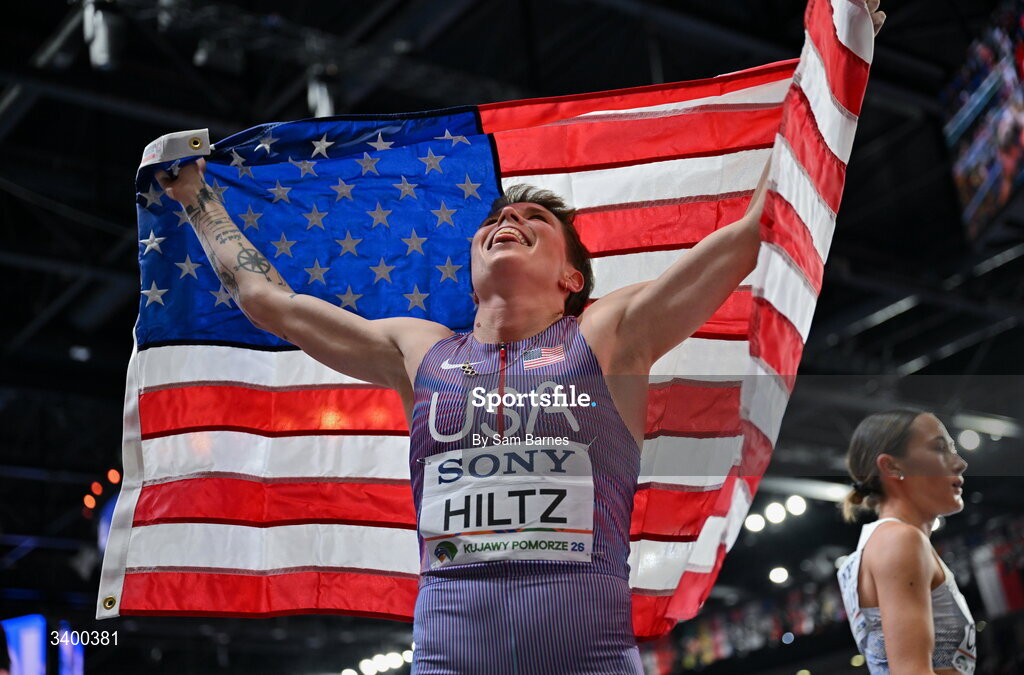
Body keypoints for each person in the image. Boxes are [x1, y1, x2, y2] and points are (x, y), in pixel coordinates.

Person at [156, 5, 887, 671]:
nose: (506, 223)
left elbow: (753, 229)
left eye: (533, 225)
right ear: (473, 267)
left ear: (572, 277)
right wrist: (197, 197)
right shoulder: (421, 350)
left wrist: (834, 57)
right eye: (494, 225)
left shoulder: (608, 335)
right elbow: (266, 300)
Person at [837, 410, 975, 675]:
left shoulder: (885, 542)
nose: (959, 463)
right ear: (891, 466)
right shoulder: (900, 541)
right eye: (940, 448)